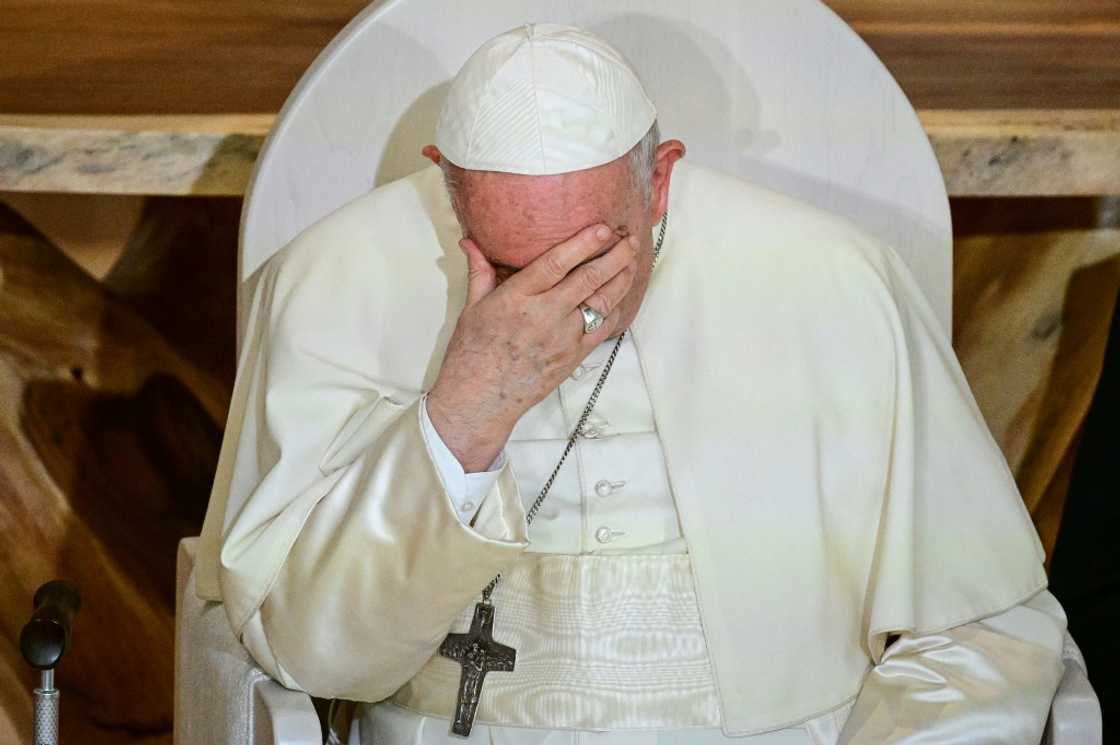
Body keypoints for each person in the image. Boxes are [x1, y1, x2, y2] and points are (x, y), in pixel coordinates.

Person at [196, 23, 1070, 745]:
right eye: (511, 264)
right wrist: (466, 407)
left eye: (595, 256)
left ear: (660, 181)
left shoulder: (834, 277)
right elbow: (311, 655)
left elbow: (983, 629)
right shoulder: (329, 280)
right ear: (445, 184)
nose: (558, 303)